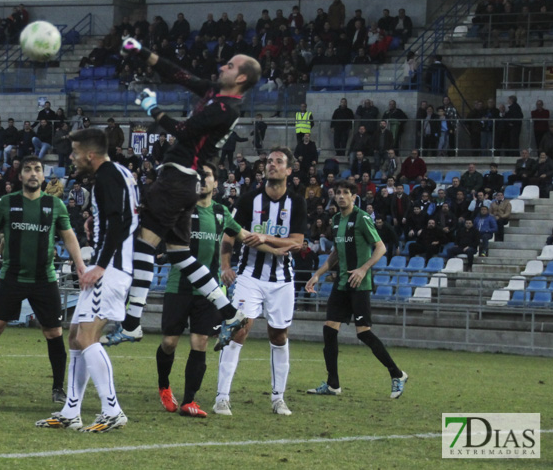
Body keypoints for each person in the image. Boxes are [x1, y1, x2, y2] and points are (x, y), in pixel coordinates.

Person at [100, 36, 261, 349]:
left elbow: (184, 131)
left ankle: (131, 323)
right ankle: (229, 312)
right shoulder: (217, 93)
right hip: (186, 182)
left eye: (230, 65)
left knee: (144, 245)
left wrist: (153, 108)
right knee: (178, 253)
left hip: (177, 179)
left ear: (241, 77)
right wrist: (142, 51)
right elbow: (180, 75)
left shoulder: (227, 108)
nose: (222, 66)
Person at [35, 129, 139, 432]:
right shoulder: (119, 173)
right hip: (111, 266)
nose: (72, 157)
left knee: (86, 337)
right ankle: (70, 411)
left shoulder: (107, 175)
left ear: (89, 155)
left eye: (75, 151)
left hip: (112, 269)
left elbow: (120, 223)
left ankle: (112, 410)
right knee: (75, 336)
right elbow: (124, 219)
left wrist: (101, 265)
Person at [0, 156, 86, 403]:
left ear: (43, 177)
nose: (32, 173)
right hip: (12, 277)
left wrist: (81, 267)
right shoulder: (7, 203)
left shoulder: (55, 205)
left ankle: (58, 388)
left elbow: (69, 236)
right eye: (27, 169)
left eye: (37, 170)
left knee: (53, 332)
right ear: (20, 176)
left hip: (44, 278)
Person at [213, 147, 306, 416]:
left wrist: (265, 238)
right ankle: (222, 397)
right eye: (269, 161)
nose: (272, 165)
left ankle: (278, 398)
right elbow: (230, 235)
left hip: (283, 280)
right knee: (238, 330)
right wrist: (226, 265)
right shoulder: (248, 200)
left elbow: (297, 243)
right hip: (249, 276)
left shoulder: (297, 202)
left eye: (279, 162)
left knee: (279, 335)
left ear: (289, 171)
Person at [155, 162, 245, 418]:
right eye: (198, 176)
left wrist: (275, 245)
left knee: (200, 342)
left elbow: (244, 236)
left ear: (216, 183)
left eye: (207, 176)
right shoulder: (182, 209)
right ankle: (164, 385)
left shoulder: (221, 212)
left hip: (209, 292)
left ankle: (189, 401)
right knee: (169, 343)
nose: (203, 179)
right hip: (179, 286)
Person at [305, 180, 408, 398]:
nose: (341, 196)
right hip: (341, 283)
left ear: (354, 197)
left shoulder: (361, 218)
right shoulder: (334, 220)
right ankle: (333, 384)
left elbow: (381, 247)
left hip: (359, 284)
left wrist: (363, 269)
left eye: (346, 193)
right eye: (338, 193)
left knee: (363, 333)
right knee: (329, 329)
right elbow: (335, 252)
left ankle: (397, 374)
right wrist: (317, 274)